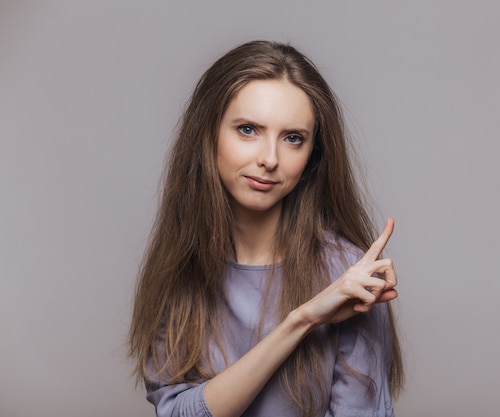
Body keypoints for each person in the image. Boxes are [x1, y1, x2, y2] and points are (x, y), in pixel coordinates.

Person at [128, 40, 404, 417]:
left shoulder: (348, 275)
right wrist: (302, 320)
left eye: (293, 138)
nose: (270, 159)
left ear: (312, 156)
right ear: (208, 135)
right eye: (247, 130)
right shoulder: (181, 270)